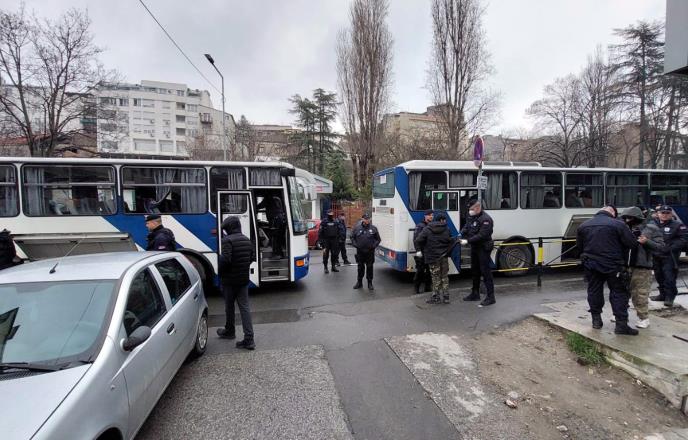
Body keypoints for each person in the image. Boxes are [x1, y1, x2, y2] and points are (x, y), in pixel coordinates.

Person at [576, 205, 639, 335]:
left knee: (594, 291)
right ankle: (621, 325)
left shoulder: (583, 225)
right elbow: (632, 244)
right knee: (619, 293)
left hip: (591, 264)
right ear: (613, 213)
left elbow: (579, 247)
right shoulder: (618, 225)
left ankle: (596, 321)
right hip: (613, 265)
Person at [620, 207, 665, 329]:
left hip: (642, 267)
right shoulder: (622, 228)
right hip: (624, 266)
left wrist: (647, 242)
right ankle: (620, 314)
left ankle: (643, 318)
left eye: (630, 218)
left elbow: (661, 247)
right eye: (625, 218)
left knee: (640, 294)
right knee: (621, 292)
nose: (627, 220)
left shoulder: (651, 229)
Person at [217, 216, 256, 350]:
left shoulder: (227, 240)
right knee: (245, 308)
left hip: (229, 280)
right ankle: (249, 339)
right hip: (243, 280)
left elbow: (225, 260)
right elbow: (252, 257)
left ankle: (230, 331)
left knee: (229, 307)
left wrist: (220, 273)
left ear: (229, 228)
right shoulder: (247, 240)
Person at [650, 205, 688, 307]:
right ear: (658, 214)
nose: (665, 215)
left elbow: (684, 239)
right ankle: (662, 294)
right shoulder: (652, 224)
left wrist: (670, 247)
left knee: (669, 277)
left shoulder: (678, 225)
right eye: (663, 213)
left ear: (671, 214)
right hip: (656, 255)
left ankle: (670, 297)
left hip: (670, 256)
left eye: (667, 213)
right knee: (658, 276)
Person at [460, 200, 496, 306]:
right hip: (475, 247)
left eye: (472, 209)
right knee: (475, 271)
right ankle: (475, 293)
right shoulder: (472, 217)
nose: (470, 211)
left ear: (478, 208)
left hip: (483, 247)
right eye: (469, 209)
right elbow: (467, 226)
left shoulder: (486, 219)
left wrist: (468, 241)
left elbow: (482, 235)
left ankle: (491, 297)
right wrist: (461, 233)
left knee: (485, 272)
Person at [414, 212, 453, 304]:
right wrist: (447, 252)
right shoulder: (447, 229)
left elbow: (418, 240)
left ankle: (436, 297)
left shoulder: (428, 228)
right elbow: (450, 241)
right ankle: (446, 297)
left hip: (432, 257)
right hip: (443, 257)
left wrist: (420, 250)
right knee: (444, 277)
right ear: (442, 220)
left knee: (435, 277)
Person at [351, 213, 381, 290]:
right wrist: (356, 245)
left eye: (368, 219)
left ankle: (370, 283)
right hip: (360, 252)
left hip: (370, 252)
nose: (367, 220)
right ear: (362, 219)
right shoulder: (357, 228)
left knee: (369, 267)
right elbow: (352, 237)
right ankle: (359, 282)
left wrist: (373, 246)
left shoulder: (373, 228)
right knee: (360, 267)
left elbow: (378, 239)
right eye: (365, 219)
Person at [412, 209, 434, 294]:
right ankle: (416, 287)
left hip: (430, 252)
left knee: (430, 271)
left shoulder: (433, 225)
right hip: (422, 252)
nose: (431, 216)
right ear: (425, 216)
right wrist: (418, 250)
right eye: (429, 215)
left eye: (432, 215)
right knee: (420, 271)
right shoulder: (420, 226)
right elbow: (416, 240)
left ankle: (427, 287)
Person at [318, 209, 340, 274]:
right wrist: (321, 241)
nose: (331, 215)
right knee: (325, 255)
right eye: (329, 214)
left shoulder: (335, 221)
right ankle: (325, 268)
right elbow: (320, 232)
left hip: (334, 240)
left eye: (331, 214)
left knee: (334, 254)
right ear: (327, 214)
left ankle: (333, 267)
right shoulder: (324, 222)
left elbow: (338, 231)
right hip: (326, 240)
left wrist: (338, 239)